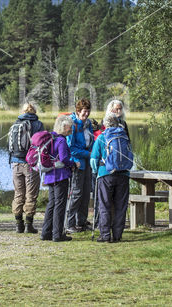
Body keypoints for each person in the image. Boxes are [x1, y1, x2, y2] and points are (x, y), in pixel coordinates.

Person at [90, 114, 130, 243]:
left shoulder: (101, 137)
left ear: (104, 125)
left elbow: (93, 159)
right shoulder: (124, 136)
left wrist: (96, 172)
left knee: (105, 205)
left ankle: (105, 235)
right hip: (124, 174)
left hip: (105, 175)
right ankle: (117, 235)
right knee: (120, 206)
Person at [40, 114, 76, 242]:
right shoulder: (61, 140)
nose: (71, 129)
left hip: (50, 175)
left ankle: (46, 232)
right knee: (60, 205)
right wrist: (73, 164)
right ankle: (57, 234)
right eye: (70, 127)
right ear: (64, 126)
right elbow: (64, 158)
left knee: (52, 204)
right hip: (60, 176)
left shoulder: (51, 138)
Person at [9, 102, 44, 233]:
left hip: (15, 163)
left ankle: (19, 224)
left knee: (18, 193)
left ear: (23, 111)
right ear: (34, 111)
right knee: (31, 195)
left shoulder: (16, 123)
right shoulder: (38, 124)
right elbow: (42, 144)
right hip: (31, 164)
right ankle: (29, 225)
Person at [66, 98, 95, 233]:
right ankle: (69, 223)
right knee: (76, 194)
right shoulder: (73, 124)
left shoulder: (88, 124)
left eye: (88, 112)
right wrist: (88, 154)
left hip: (88, 163)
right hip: (77, 164)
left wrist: (94, 152)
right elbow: (70, 148)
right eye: (84, 112)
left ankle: (81, 222)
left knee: (85, 194)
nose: (86, 115)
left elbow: (91, 142)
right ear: (78, 111)